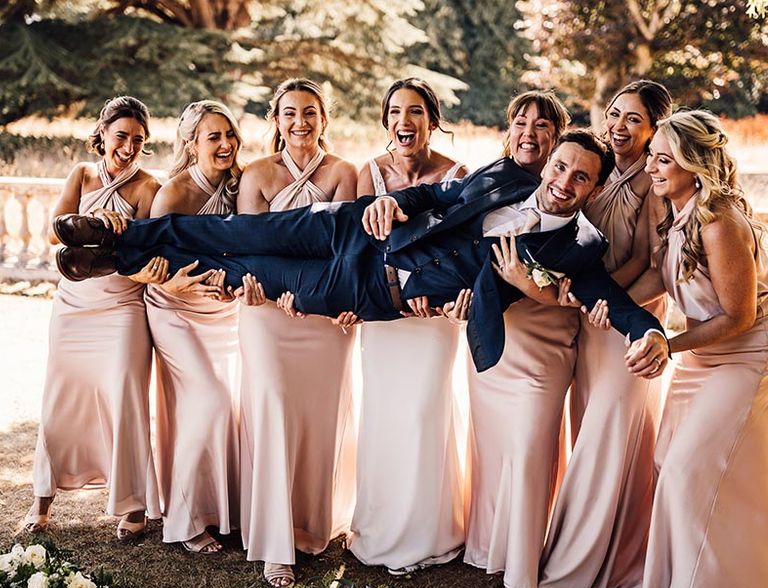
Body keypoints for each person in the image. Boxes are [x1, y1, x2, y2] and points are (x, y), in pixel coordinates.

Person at [53, 130, 668, 377]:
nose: (562, 182)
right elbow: (440, 191)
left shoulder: (578, 250)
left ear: (593, 187)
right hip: (353, 231)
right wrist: (396, 203)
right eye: (560, 166)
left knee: (238, 268)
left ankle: (117, 262)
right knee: (233, 234)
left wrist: (650, 335)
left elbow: (612, 302)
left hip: (372, 292)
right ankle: (114, 240)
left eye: (580, 178)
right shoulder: (508, 178)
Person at [620, 110, 768, 588]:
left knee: (688, 469)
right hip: (703, 357)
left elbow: (739, 315)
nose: (651, 167)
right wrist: (590, 303)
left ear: (694, 164)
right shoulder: (675, 211)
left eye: (663, 159)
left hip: (745, 355)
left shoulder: (718, 221)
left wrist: (667, 343)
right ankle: (687, 583)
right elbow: (660, 284)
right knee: (670, 465)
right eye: (651, 156)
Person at [534, 80, 672, 588]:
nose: (618, 126)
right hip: (589, 321)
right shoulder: (600, 170)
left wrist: (616, 316)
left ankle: (578, 567)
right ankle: (618, 555)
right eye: (614, 114)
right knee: (588, 430)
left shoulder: (653, 183)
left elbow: (656, 266)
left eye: (633, 120)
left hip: (625, 323)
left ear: (656, 129)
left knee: (607, 440)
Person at [459, 90, 584, 588]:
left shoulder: (576, 192)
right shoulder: (489, 182)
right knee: (495, 446)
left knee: (532, 449)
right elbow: (457, 243)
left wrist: (537, 287)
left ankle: (524, 566)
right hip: (496, 339)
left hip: (547, 338)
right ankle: (489, 546)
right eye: (521, 123)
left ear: (558, 138)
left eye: (542, 126)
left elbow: (580, 282)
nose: (530, 133)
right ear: (509, 130)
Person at [235, 78, 358, 588]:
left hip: (325, 316)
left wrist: (330, 299)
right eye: (290, 113)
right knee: (276, 409)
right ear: (276, 120)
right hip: (266, 309)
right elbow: (249, 247)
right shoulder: (256, 174)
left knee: (318, 419)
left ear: (324, 119)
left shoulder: (344, 173)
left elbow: (349, 250)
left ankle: (310, 526)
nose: (300, 122)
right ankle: (273, 543)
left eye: (310, 112)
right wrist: (278, 286)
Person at [27, 96, 163, 540]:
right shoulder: (81, 175)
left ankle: (133, 504)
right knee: (59, 400)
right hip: (73, 306)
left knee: (125, 395)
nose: (128, 147)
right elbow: (53, 230)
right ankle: (42, 499)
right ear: (102, 133)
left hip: (123, 306)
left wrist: (114, 231)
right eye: (121, 136)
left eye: (138, 140)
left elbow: (146, 251)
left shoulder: (149, 187)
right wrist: (89, 218)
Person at [346, 78, 467, 574]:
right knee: (383, 415)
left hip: (432, 320)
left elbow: (463, 249)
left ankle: (429, 533)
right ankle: (378, 528)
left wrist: (437, 299)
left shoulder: (459, 174)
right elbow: (355, 253)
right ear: (385, 121)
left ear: (432, 121)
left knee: (422, 414)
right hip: (382, 316)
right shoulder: (366, 174)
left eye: (416, 111)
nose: (405, 121)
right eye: (395, 111)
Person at [144, 100, 243, 553]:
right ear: (191, 144)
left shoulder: (243, 185)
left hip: (224, 314)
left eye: (229, 135)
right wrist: (178, 287)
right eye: (213, 137)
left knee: (233, 412)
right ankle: (181, 522)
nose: (225, 145)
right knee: (210, 400)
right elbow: (148, 260)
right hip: (174, 311)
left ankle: (222, 510)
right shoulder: (174, 194)